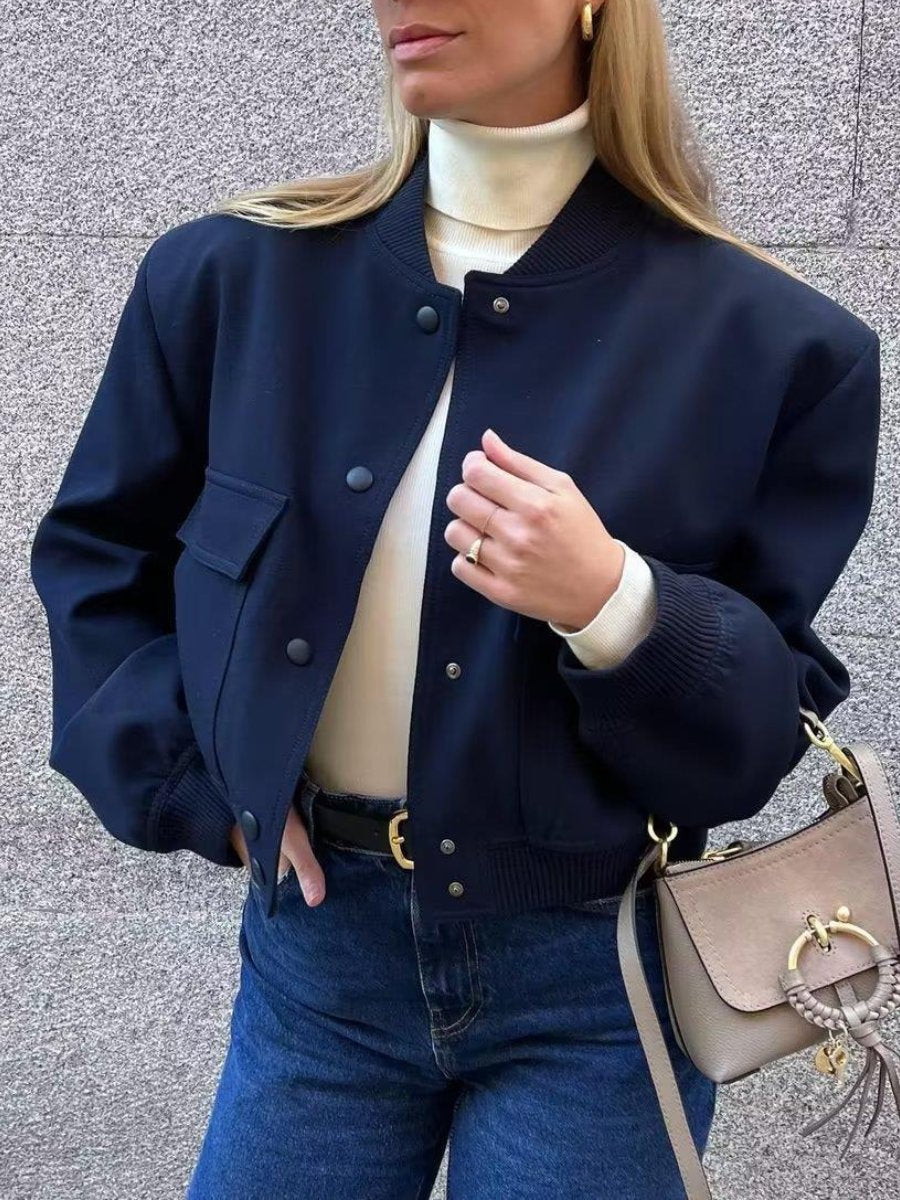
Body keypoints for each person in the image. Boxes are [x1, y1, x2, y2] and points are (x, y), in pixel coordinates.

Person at [29, 3, 881, 1198]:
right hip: (316, 963)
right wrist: (196, 786)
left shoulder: (778, 346)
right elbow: (99, 561)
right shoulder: (229, 281)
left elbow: (745, 750)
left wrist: (615, 602)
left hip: (601, 980)